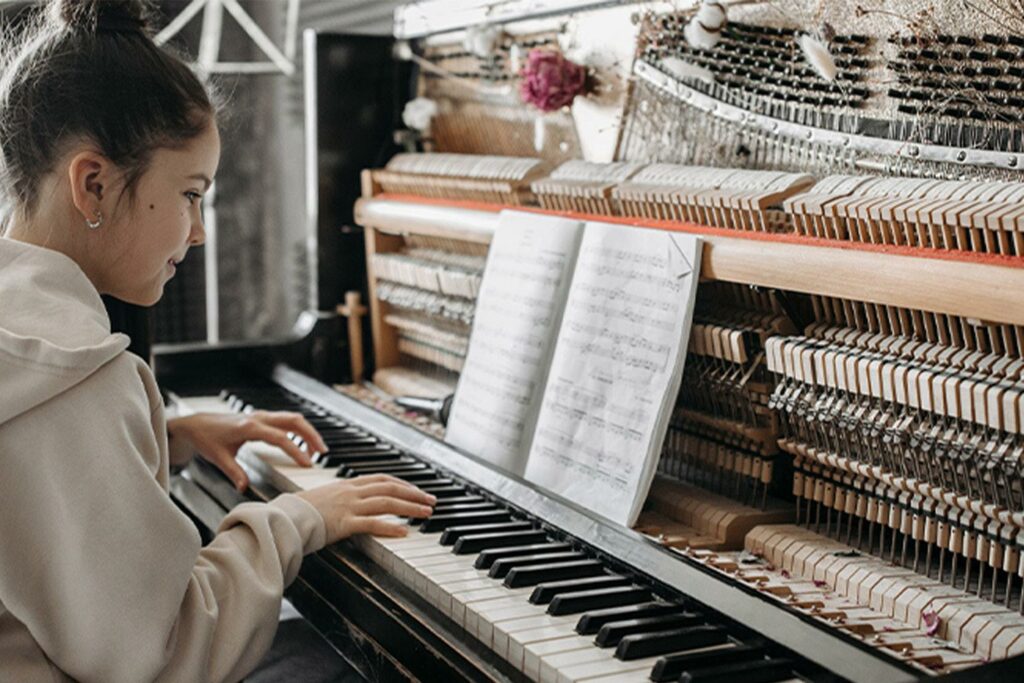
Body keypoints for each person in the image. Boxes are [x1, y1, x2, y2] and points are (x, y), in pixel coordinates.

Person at [0, 1, 436, 681]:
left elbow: (35, 487)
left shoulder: (24, 337)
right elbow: (166, 655)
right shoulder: (77, 379)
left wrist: (167, 434)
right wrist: (296, 518)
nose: (198, 231)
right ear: (94, 184)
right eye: (191, 194)